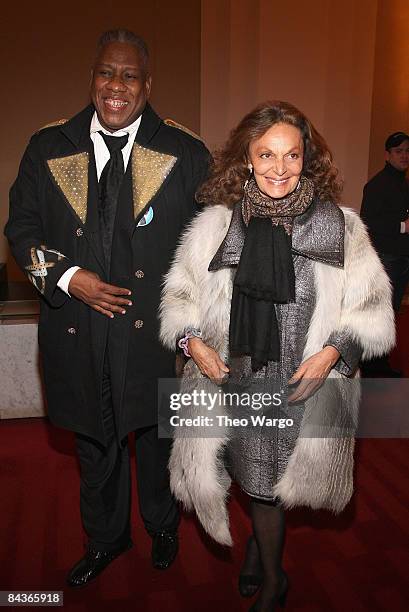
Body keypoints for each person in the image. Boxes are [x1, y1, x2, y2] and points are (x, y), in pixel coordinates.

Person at [159, 101, 394, 611]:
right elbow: (179, 300)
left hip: (302, 388)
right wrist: (192, 342)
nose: (279, 168)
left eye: (291, 155)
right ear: (246, 158)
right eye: (266, 154)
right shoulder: (213, 229)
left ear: (307, 158)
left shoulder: (341, 229)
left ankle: (272, 580)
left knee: (268, 486)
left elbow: (372, 311)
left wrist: (333, 352)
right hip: (234, 384)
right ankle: (261, 556)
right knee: (251, 478)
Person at [5, 29, 209, 587]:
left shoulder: (185, 152)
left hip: (155, 334)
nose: (116, 86)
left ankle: (162, 525)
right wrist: (70, 279)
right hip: (77, 327)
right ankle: (106, 538)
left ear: (147, 84)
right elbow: (20, 230)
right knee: (95, 443)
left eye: (129, 75)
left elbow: (211, 245)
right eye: (106, 73)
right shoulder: (47, 146)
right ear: (92, 77)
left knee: (156, 437)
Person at [360, 131, 409, 376]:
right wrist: (403, 226)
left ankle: (381, 364)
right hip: (386, 258)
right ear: (387, 155)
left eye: (407, 151)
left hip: (401, 257)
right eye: (399, 151)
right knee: (380, 313)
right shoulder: (377, 185)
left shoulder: (403, 183)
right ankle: (372, 367)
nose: (405, 156)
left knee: (391, 313)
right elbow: (368, 222)